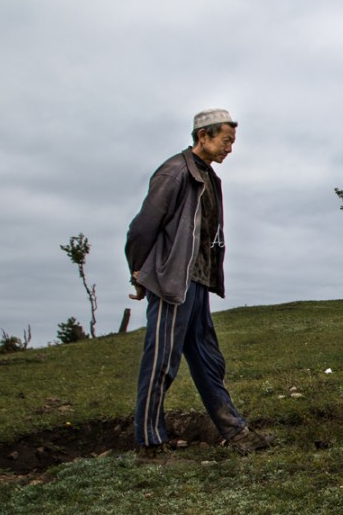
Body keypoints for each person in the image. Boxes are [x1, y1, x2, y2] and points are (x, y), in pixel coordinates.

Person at [125, 108, 273, 461]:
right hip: (173, 282)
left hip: (197, 282)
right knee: (161, 359)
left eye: (232, 142)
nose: (230, 149)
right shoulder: (175, 172)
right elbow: (143, 227)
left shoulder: (208, 176)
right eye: (226, 141)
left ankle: (236, 431)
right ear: (203, 137)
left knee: (208, 360)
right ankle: (149, 443)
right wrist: (139, 271)